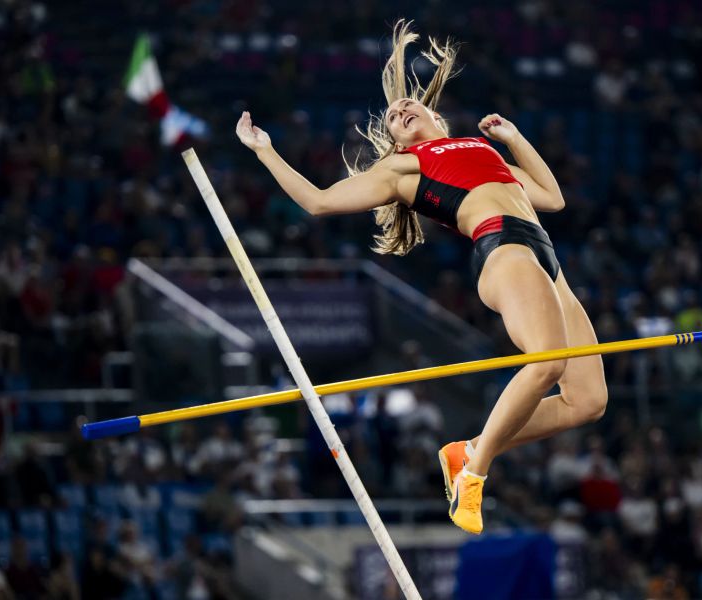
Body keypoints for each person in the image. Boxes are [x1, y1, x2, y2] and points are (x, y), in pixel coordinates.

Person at [236, 20, 607, 534]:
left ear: (435, 113)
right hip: (506, 250)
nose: (399, 111)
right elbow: (319, 202)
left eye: (406, 107)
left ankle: (470, 449)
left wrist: (515, 139)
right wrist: (264, 151)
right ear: (393, 138)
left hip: (548, 261)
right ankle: (473, 477)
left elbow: (551, 197)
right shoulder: (404, 168)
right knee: (545, 363)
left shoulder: (484, 152)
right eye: (391, 118)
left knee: (587, 401)